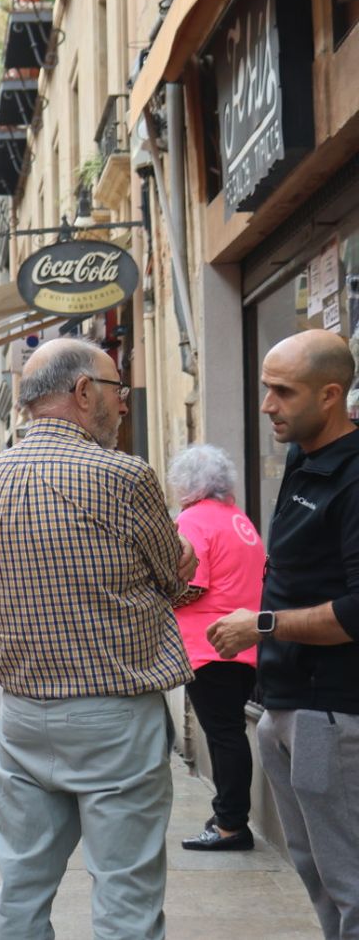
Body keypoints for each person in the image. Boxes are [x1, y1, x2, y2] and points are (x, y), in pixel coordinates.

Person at [0, 338, 196, 940]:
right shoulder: (123, 474)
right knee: (126, 891)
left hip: (21, 713)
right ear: (84, 392)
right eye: (118, 390)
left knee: (20, 888)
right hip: (113, 713)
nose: (123, 405)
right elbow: (173, 570)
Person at [207, 329, 359, 935]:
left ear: (330, 396)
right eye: (264, 387)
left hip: (332, 713)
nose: (267, 404)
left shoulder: (352, 478)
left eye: (281, 391)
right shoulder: (302, 458)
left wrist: (261, 624)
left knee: (349, 879)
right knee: (318, 874)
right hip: (285, 702)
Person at [165, 445, 263, 853]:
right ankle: (228, 814)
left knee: (223, 736)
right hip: (243, 643)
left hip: (208, 645)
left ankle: (230, 824)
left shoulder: (192, 520)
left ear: (188, 483)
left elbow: (191, 585)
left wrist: (157, 595)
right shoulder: (239, 520)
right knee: (229, 733)